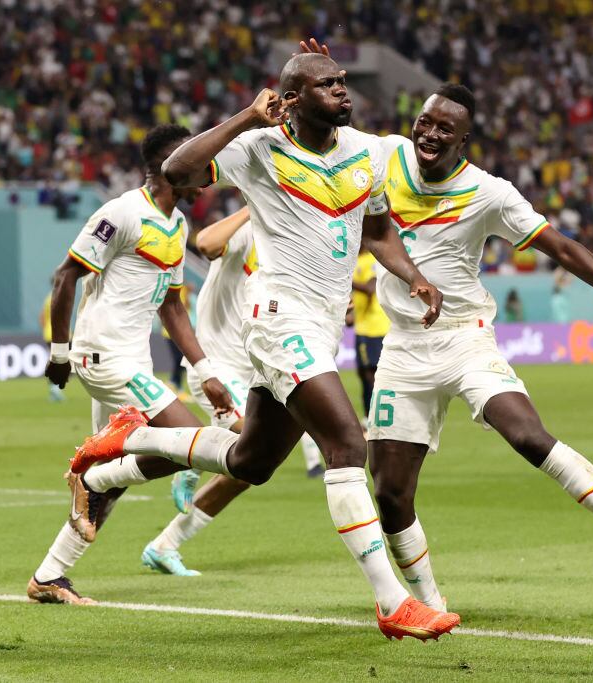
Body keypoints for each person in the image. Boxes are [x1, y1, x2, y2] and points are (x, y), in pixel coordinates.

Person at [68, 53, 459, 641]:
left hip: (322, 328)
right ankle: (392, 602)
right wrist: (248, 117)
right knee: (347, 445)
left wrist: (415, 277)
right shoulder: (258, 147)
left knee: (251, 462)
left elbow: (380, 233)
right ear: (293, 100)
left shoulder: (368, 153)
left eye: (342, 81)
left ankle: (130, 438)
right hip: (279, 322)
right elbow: (177, 168)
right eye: (327, 84)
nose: (343, 90)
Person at [358, 84, 593, 613]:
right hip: (402, 347)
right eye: (425, 120)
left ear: (463, 140)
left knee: (528, 436)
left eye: (445, 128)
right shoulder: (384, 155)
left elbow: (561, 247)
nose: (430, 133)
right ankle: (431, 604)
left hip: (464, 338)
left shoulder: (489, 192)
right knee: (389, 492)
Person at [26, 124, 236, 605]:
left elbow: (173, 308)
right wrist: (59, 353)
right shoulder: (121, 213)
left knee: (115, 479)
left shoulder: (177, 226)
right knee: (187, 441)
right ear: (171, 165)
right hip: (103, 355)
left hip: (133, 358)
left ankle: (50, 576)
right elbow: (65, 277)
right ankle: (90, 476)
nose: (207, 172)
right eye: (198, 162)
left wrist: (206, 372)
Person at [143, 207, 325, 577]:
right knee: (248, 438)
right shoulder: (250, 229)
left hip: (259, 367)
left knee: (250, 469)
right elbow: (207, 243)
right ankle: (189, 457)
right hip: (217, 366)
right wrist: (252, 205)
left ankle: (165, 544)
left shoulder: (296, 246)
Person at [351, 248, 390, 416]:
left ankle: (374, 415)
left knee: (370, 374)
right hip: (363, 325)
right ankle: (370, 415)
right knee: (363, 373)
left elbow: (370, 287)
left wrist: (346, 279)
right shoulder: (355, 260)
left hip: (373, 327)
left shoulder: (371, 260)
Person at [38, 285, 65, 403]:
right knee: (62, 361)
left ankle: (54, 387)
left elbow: (42, 317)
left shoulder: (49, 297)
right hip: (58, 333)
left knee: (57, 360)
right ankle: (55, 388)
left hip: (50, 333)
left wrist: (46, 329)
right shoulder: (59, 296)